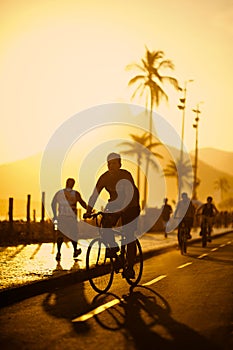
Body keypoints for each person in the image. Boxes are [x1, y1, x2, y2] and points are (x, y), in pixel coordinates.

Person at [84, 152, 140, 279]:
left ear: (120, 164)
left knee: (129, 235)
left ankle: (130, 268)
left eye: (114, 163)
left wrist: (122, 210)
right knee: (105, 223)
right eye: (109, 163)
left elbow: (129, 195)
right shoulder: (104, 177)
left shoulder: (125, 175)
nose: (111, 166)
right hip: (115, 203)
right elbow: (94, 195)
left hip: (131, 205)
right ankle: (113, 248)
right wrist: (88, 210)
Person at [51, 178, 87, 261]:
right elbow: (82, 203)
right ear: (73, 184)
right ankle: (75, 251)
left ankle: (59, 253)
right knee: (73, 235)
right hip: (71, 218)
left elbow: (53, 203)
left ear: (66, 183)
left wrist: (55, 215)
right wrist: (89, 210)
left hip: (62, 217)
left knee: (60, 235)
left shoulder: (59, 193)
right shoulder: (76, 194)